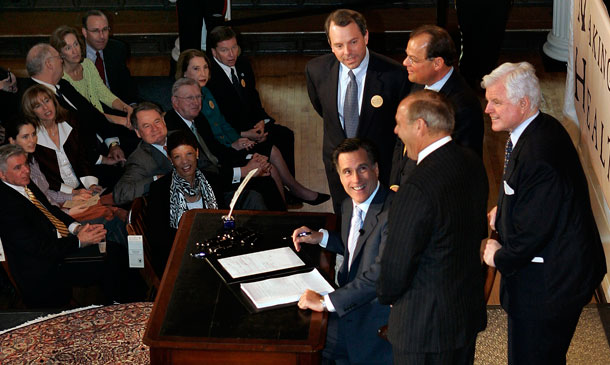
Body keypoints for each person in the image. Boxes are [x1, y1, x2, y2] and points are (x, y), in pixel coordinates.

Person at [481, 62, 607, 364]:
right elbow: (535, 198)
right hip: (552, 277)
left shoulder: (539, 155)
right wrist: (507, 208)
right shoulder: (539, 129)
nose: (487, 109)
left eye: (496, 102)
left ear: (523, 104)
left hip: (551, 287)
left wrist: (497, 256)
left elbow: (533, 233)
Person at [377, 90, 488, 364]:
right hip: (463, 315)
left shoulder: (415, 187)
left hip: (423, 328)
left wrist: (387, 295)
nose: (395, 130)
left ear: (420, 126)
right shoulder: (472, 162)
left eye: (399, 123)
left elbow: (396, 265)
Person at [175, 52, 329, 205]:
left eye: (205, 68)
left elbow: (222, 123)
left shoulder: (206, 92)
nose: (202, 73)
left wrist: (238, 139)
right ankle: (290, 199)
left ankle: (291, 197)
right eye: (196, 69)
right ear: (184, 72)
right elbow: (213, 145)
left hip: (229, 145)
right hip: (223, 154)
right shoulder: (192, 108)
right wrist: (237, 142)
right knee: (270, 168)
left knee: (273, 151)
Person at [292, 138, 392, 364]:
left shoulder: (392, 212)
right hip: (351, 299)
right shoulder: (349, 205)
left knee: (303, 342)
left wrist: (325, 302)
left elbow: (378, 276)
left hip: (373, 316)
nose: (356, 179)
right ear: (339, 176)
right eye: (347, 172)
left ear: (376, 169)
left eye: (362, 168)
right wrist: (322, 237)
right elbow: (358, 244)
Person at [0, 144, 130, 308]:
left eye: (26, 164)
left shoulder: (22, 181)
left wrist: (76, 228)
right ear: (2, 174)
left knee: (113, 249)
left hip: (59, 246)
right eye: (18, 167)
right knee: (111, 256)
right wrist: (78, 241)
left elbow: (50, 209)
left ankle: (124, 302)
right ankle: (124, 306)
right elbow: (38, 248)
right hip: (45, 269)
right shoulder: (5, 206)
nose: (26, 170)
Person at [306, 9, 410, 212]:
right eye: (339, 45)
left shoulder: (394, 75)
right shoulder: (316, 70)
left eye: (353, 42)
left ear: (366, 36)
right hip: (338, 166)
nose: (347, 52)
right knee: (344, 220)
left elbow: (402, 130)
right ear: (330, 44)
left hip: (379, 166)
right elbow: (324, 110)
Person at [164, 78, 293, 210]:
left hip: (221, 171)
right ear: (175, 101)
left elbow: (218, 150)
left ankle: (282, 223)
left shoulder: (198, 118)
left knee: (264, 174)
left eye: (198, 97)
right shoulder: (174, 129)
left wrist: (250, 158)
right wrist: (244, 171)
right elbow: (201, 170)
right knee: (262, 183)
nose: (196, 102)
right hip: (207, 185)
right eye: (189, 98)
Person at [113, 101, 269, 209]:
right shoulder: (140, 158)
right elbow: (121, 193)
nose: (155, 129)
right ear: (138, 133)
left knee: (254, 197)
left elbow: (210, 167)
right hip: (179, 211)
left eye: (157, 122)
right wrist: (157, 180)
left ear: (164, 121)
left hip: (209, 196)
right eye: (146, 126)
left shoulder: (182, 136)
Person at [5, 117, 128, 246]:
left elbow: (47, 193)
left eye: (34, 134)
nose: (32, 140)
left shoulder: (32, 160)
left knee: (106, 207)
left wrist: (74, 196)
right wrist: (69, 211)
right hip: (54, 218)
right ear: (12, 141)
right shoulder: (14, 171)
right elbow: (39, 207)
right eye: (25, 137)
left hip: (59, 208)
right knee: (108, 215)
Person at [390, 24, 484, 191]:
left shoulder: (462, 106)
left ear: (437, 63)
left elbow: (457, 169)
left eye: (413, 59)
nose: (405, 63)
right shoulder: (419, 84)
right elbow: (401, 140)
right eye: (407, 56)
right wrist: (395, 183)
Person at [23, 43, 126, 186]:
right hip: (79, 166)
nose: (62, 60)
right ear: (49, 64)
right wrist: (102, 159)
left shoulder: (63, 85)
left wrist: (113, 143)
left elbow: (94, 114)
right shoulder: (29, 100)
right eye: (59, 57)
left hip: (99, 148)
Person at [205, 26, 296, 177]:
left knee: (285, 135)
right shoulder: (209, 78)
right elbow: (218, 119)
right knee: (269, 147)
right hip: (234, 134)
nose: (231, 54)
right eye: (224, 50)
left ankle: (290, 192)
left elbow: (253, 96)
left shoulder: (243, 64)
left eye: (234, 47)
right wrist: (245, 134)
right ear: (214, 52)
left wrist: (261, 121)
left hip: (253, 125)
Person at [146, 130, 218, 277]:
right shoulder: (159, 189)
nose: (185, 161)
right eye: (177, 157)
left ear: (197, 153)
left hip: (213, 253)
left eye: (189, 154)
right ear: (170, 159)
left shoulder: (213, 181)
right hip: (177, 260)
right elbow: (158, 240)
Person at [21, 84, 103, 195]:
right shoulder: (32, 139)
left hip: (82, 187)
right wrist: (72, 192)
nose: (45, 107)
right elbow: (43, 177)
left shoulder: (71, 122)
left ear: (53, 101)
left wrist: (91, 184)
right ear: (32, 112)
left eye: (47, 100)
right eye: (37, 106)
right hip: (55, 194)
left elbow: (82, 158)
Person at [50, 25, 133, 128]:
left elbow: (103, 93)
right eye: (68, 48)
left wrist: (126, 108)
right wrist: (120, 120)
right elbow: (85, 113)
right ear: (60, 53)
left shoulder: (87, 64)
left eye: (76, 44)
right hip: (82, 127)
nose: (75, 51)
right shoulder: (61, 79)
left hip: (102, 121)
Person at [81, 10, 138, 104]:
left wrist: (132, 106)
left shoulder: (117, 49)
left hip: (115, 103)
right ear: (84, 32)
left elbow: (126, 83)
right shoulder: (75, 53)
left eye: (105, 29)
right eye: (95, 31)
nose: (102, 36)